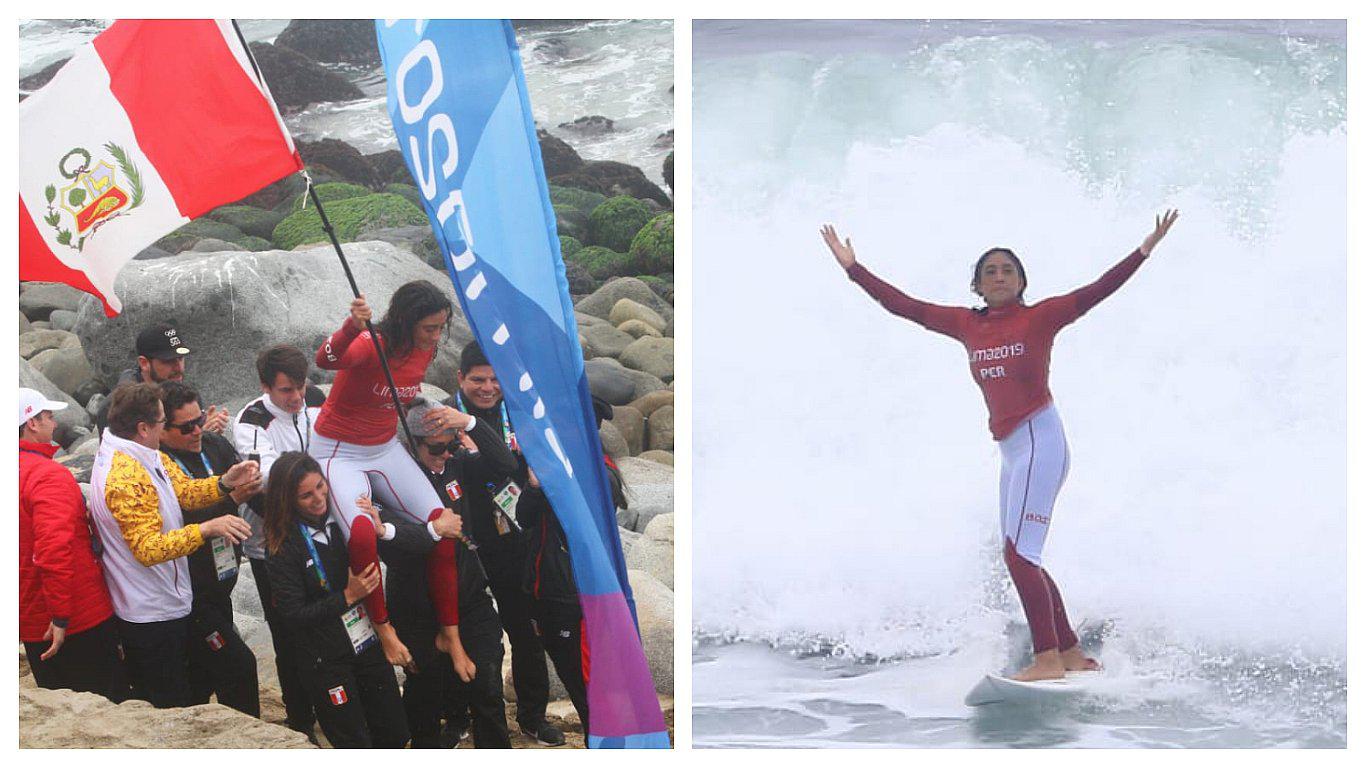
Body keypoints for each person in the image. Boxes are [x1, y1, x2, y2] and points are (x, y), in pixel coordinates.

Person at [822, 210, 1179, 681]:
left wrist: (1144, 249)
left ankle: (1047, 658)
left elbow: (1097, 291)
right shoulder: (967, 326)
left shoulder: (1041, 317)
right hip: (1012, 450)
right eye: (989, 271)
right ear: (977, 285)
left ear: (1021, 280)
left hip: (1041, 439)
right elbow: (904, 306)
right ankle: (1068, 650)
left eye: (1007, 269)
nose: (998, 276)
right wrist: (853, 269)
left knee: (1019, 555)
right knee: (1021, 551)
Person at [308, 281, 475, 674]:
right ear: (406, 320)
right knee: (363, 533)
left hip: (384, 447)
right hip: (338, 450)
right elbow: (325, 360)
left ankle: (448, 632)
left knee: (444, 526)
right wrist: (352, 325)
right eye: (429, 328)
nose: (436, 337)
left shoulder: (426, 348)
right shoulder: (373, 343)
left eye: (440, 328)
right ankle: (383, 628)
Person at [87, 382, 256, 707]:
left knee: (192, 688)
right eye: (164, 422)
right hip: (151, 614)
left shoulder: (140, 453)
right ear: (143, 427)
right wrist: (206, 529)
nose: (166, 428)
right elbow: (148, 549)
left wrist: (223, 483)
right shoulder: (125, 477)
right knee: (172, 704)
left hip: (166, 603)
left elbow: (182, 491)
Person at [443, 341, 565, 745]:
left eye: (495, 379)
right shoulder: (445, 414)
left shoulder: (517, 410)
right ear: (460, 378)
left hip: (513, 538)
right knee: (464, 634)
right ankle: (458, 716)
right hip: (464, 543)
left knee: (527, 633)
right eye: (478, 379)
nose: (488, 388)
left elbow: (518, 467)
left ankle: (532, 716)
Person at [263, 451, 409, 749]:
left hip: (365, 641)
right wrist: (348, 596)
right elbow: (292, 615)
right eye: (305, 495)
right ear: (287, 500)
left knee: (394, 730)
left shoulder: (345, 518)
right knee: (353, 740)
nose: (318, 498)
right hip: (324, 656)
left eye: (320, 487)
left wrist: (379, 529)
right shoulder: (282, 545)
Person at [394, 397, 517, 748]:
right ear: (411, 443)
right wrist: (433, 532)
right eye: (436, 448)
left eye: (451, 445)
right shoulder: (394, 477)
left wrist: (470, 423)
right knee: (425, 694)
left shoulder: (457, 465)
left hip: (469, 596)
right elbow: (388, 540)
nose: (446, 454)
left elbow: (504, 464)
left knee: (487, 686)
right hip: (419, 605)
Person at [233, 343, 327, 737]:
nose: (297, 397)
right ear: (265, 387)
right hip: (270, 540)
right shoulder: (250, 420)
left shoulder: (316, 400)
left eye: (301, 387)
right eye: (287, 390)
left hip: (320, 529)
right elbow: (267, 481)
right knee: (288, 632)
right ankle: (300, 719)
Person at [518, 395, 623, 732]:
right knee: (576, 679)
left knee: (589, 687)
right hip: (543, 590)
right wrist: (535, 486)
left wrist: (557, 475)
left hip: (574, 596)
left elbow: (593, 505)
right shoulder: (551, 463)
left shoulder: (600, 469)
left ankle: (606, 743)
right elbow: (524, 517)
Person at [158, 381, 261, 716]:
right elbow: (178, 519)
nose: (197, 430)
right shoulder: (160, 466)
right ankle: (251, 739)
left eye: (199, 419)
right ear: (160, 429)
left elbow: (246, 489)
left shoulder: (214, 444)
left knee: (203, 675)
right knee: (239, 665)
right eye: (186, 427)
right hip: (189, 594)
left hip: (222, 581)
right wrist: (230, 501)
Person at [19, 388, 125, 700]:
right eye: (48, 416)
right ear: (32, 423)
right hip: (76, 618)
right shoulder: (47, 476)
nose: (54, 422)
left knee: (56, 699)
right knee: (108, 702)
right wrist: (61, 616)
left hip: (31, 618)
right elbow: (53, 550)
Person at [95, 323, 229, 436]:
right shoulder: (117, 409)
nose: (179, 368)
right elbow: (125, 460)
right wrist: (198, 434)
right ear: (144, 363)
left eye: (181, 358)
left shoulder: (186, 395)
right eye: (168, 361)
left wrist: (209, 430)